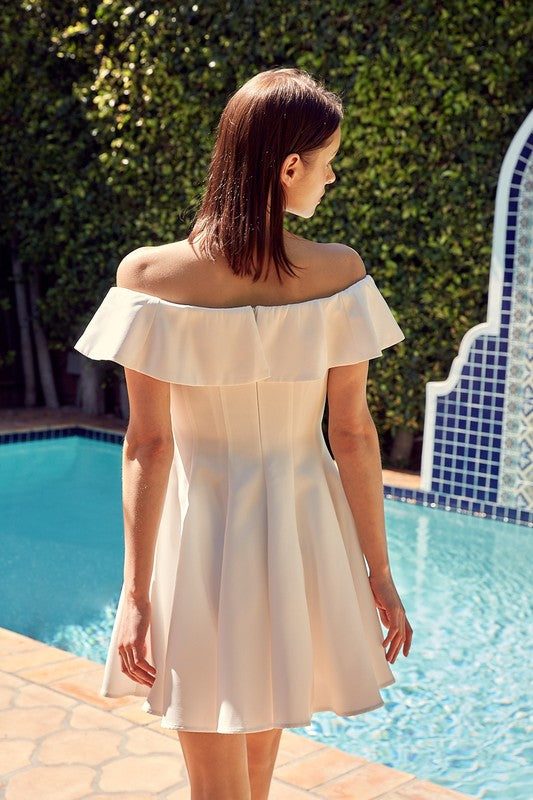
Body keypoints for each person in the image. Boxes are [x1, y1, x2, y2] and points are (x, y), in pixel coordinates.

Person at [74, 67, 412, 800]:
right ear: (289, 166)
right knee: (252, 779)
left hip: (203, 532)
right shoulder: (339, 274)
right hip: (298, 526)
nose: (330, 181)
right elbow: (350, 434)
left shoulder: (150, 277)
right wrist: (377, 576)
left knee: (224, 788)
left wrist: (136, 593)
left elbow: (150, 446)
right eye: (327, 165)